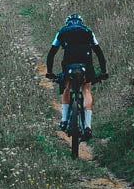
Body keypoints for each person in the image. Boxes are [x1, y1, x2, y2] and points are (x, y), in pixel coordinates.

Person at [44, 13, 108, 141]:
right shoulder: (88, 31)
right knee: (86, 90)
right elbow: (99, 53)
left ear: (67, 22)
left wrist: (50, 72)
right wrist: (103, 71)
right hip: (86, 64)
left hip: (69, 64)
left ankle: (63, 120)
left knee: (67, 87)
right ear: (81, 22)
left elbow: (51, 53)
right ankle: (88, 126)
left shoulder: (62, 31)